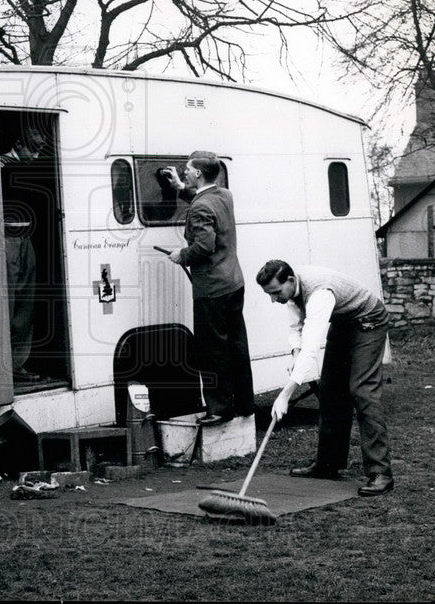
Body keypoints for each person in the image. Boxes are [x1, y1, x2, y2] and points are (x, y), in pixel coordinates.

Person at [255, 260, 394, 496]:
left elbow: (311, 348)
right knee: (330, 391)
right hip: (343, 322)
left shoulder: (319, 294)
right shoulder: (292, 291)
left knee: (362, 391)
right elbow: (296, 328)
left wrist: (285, 395)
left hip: (368, 321)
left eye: (276, 293)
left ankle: (381, 473)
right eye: (269, 294)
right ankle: (328, 465)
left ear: (289, 281)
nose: (273, 299)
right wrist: (294, 354)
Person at [162, 152, 254, 425]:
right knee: (236, 345)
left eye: (188, 170)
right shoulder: (224, 195)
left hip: (212, 288)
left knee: (212, 350)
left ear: (199, 174)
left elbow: (204, 246)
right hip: (233, 282)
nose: (185, 172)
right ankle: (244, 403)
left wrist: (182, 255)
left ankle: (219, 409)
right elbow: (205, 202)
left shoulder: (201, 207)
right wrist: (182, 189)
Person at [0, 125, 48, 383]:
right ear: (18, 143)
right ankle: (5, 364)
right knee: (9, 303)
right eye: (35, 149)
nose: (38, 156)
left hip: (24, 238)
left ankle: (17, 364)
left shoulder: (26, 168)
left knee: (24, 303)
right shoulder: (0, 165)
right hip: (6, 239)